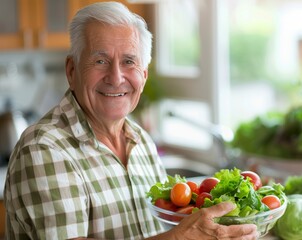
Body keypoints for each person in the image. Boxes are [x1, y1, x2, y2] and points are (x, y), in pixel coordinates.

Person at [4, 2, 258, 240]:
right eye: (100, 61)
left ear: (143, 75)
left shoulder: (142, 142)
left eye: (129, 62)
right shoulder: (44, 149)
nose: (116, 78)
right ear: (72, 71)